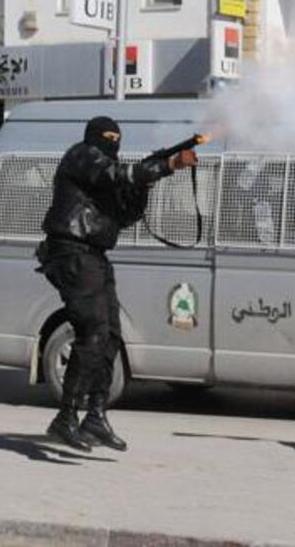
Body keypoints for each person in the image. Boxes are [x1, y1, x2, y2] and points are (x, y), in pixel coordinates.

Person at [37, 116, 198, 452]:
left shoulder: (103, 176)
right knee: (92, 329)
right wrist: (166, 165)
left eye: (116, 139)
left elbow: (124, 215)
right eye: (108, 138)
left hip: (94, 254)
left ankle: (95, 414)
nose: (113, 143)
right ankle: (66, 417)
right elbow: (115, 174)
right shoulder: (81, 156)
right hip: (72, 250)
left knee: (110, 335)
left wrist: (145, 184)